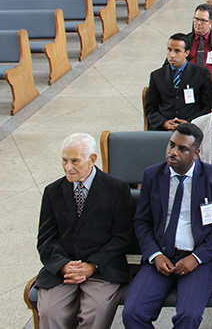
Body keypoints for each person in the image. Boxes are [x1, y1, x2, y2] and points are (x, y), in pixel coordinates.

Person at [122, 123, 212, 329]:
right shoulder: (152, 175)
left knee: (188, 317)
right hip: (161, 256)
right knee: (132, 314)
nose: (173, 152)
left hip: (198, 260)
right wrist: (154, 255)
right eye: (171, 145)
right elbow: (142, 221)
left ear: (196, 153)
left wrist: (197, 257)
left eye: (182, 149)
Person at [36, 133, 133, 329]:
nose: (67, 167)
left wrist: (92, 265)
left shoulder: (117, 189)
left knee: (94, 314)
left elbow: (123, 237)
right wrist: (64, 265)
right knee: (49, 312)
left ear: (92, 160)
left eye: (74, 161)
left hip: (103, 268)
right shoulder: (52, 191)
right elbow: (45, 239)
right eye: (64, 161)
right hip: (64, 269)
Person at [144, 33, 212, 131]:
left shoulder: (201, 74)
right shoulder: (157, 76)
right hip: (163, 128)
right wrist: (164, 123)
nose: (172, 55)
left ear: (187, 53)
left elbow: (208, 106)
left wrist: (189, 122)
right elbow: (150, 108)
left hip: (192, 127)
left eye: (177, 51)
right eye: (169, 50)